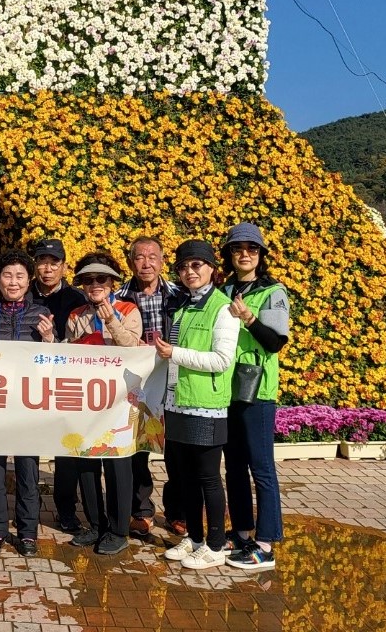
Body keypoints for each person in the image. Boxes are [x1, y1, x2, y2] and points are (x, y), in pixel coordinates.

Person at [0, 249, 54, 557]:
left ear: (29, 280)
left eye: (19, 276)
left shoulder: (42, 314)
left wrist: (49, 340)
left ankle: (28, 534)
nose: (13, 282)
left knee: (28, 472)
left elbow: (55, 363)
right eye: (7, 275)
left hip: (28, 407)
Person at [155, 240, 237, 570]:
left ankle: (215, 545)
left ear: (211, 269)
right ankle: (195, 537)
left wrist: (175, 353)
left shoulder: (223, 308)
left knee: (208, 478)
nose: (190, 272)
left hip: (206, 405)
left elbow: (222, 359)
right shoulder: (184, 306)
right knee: (185, 477)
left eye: (196, 265)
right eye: (183, 267)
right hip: (178, 403)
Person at [54, 253, 142, 555]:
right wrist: (52, 341)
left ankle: (118, 530)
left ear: (112, 283)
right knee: (87, 463)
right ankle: (95, 524)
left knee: (118, 466)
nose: (95, 285)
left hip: (119, 401)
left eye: (101, 279)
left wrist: (111, 321)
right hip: (87, 401)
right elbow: (68, 354)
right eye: (88, 280)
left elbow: (132, 347)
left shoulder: (128, 310)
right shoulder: (76, 315)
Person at [221, 223, 289, 572]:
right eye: (238, 248)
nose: (244, 254)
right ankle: (241, 532)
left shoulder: (273, 291)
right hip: (226, 387)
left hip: (257, 389)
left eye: (252, 248)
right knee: (233, 466)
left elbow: (275, 342)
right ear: (229, 254)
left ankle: (265, 543)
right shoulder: (224, 289)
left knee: (261, 468)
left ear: (261, 255)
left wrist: (248, 317)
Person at [116, 236, 184, 537]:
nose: (146, 263)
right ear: (131, 262)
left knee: (176, 449)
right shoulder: (119, 297)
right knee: (137, 448)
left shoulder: (180, 295)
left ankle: (177, 512)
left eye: (152, 256)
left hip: (173, 381)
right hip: (136, 383)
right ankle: (141, 511)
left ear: (162, 260)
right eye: (140, 257)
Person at [29, 238, 89, 535]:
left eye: (54, 263)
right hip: (29, 382)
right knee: (27, 448)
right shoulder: (23, 293)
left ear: (64, 266)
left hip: (66, 383)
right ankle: (28, 509)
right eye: (42, 261)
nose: (48, 268)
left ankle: (66, 510)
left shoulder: (77, 299)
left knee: (67, 451)